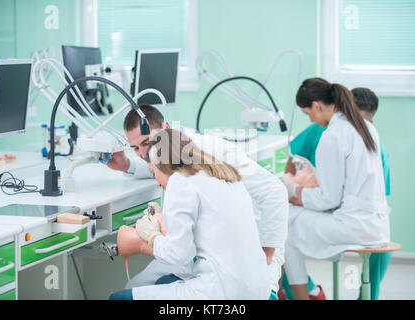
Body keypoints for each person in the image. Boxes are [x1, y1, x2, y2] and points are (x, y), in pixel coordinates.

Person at [106, 104, 288, 299]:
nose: (142, 153)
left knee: (126, 295)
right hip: (221, 264)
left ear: (165, 128)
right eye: (135, 148)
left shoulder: (212, 155)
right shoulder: (196, 162)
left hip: (236, 268)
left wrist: (266, 254)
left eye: (146, 143)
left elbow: (274, 191)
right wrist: (127, 165)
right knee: (136, 284)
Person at [281, 78, 390, 300]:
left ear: (317, 105)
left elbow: (328, 200)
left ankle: (303, 297)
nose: (309, 118)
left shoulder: (331, 136)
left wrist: (294, 190)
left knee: (284, 225)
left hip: (354, 226)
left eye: (307, 112)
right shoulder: (366, 127)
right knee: (293, 220)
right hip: (376, 223)